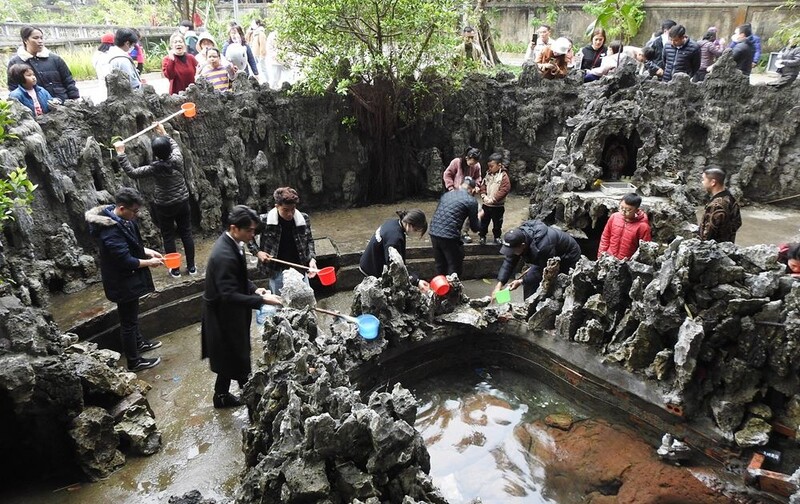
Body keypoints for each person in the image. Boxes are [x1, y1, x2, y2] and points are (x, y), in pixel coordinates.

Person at [202, 205, 283, 408]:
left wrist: (255, 290)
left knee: (228, 358)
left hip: (230, 315)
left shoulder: (234, 244)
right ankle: (253, 406)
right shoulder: (223, 255)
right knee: (240, 361)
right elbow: (228, 294)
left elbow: (238, 279)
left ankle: (220, 396)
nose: (252, 234)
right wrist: (263, 300)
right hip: (224, 317)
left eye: (254, 230)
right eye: (249, 230)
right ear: (234, 228)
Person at [85, 188, 163, 372]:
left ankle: (139, 343)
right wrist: (149, 263)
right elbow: (125, 260)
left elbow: (130, 245)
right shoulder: (109, 231)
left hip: (129, 280)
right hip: (122, 282)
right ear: (121, 208)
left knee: (132, 317)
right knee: (128, 323)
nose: (136, 215)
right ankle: (134, 361)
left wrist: (147, 251)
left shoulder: (123, 219)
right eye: (134, 211)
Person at [113, 123, 196, 278]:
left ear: (155, 153)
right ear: (169, 151)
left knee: (168, 236)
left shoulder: (153, 168)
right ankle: (191, 267)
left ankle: (175, 269)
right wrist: (164, 132)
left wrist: (121, 153)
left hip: (164, 205)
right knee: (186, 233)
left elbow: (132, 172)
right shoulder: (177, 159)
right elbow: (174, 145)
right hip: (183, 202)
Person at [492, 221, 582, 300]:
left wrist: (521, 281)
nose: (511, 253)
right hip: (547, 255)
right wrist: (500, 284)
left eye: (513, 251)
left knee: (540, 282)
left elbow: (543, 270)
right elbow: (509, 261)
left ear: (523, 245)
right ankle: (528, 306)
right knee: (529, 280)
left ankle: (533, 310)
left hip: (568, 256)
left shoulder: (542, 247)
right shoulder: (519, 238)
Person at [254, 187, 317, 295]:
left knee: (306, 300)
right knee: (281, 304)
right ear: (277, 206)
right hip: (277, 270)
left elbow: (309, 240)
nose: (290, 214)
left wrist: (312, 259)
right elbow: (248, 235)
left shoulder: (303, 218)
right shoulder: (265, 220)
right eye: (285, 210)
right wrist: (258, 252)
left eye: (292, 209)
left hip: (299, 267)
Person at [359, 209, 430, 290]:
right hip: (372, 270)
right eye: (416, 230)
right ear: (410, 225)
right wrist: (416, 281)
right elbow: (395, 267)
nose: (415, 234)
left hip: (368, 260)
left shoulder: (393, 223)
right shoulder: (395, 239)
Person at [6, 26, 79, 102]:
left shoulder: (55, 59)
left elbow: (68, 80)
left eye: (41, 38)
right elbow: (13, 87)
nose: (40, 41)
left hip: (63, 103)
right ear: (25, 40)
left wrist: (75, 98)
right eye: (35, 38)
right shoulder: (15, 62)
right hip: (35, 107)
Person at [429, 179, 479, 277]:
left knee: (440, 266)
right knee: (454, 265)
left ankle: (440, 290)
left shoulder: (447, 194)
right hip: (449, 236)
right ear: (472, 190)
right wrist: (480, 217)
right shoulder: (471, 201)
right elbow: (475, 227)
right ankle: (453, 291)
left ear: (460, 186)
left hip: (434, 232)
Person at [443, 147, 482, 243]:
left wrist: (477, 186)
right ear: (466, 158)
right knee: (455, 213)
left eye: (475, 163)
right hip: (456, 193)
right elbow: (447, 174)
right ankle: (453, 232)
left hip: (469, 194)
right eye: (472, 163)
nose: (473, 165)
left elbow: (478, 177)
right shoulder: (457, 162)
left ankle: (464, 233)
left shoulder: (477, 166)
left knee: (470, 212)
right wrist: (450, 188)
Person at [598, 193, 652, 260]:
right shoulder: (614, 217)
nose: (623, 212)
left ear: (636, 209)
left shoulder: (643, 227)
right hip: (609, 258)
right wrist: (601, 255)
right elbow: (605, 237)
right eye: (621, 208)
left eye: (628, 210)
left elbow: (645, 250)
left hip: (627, 262)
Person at [699, 167, 741, 243]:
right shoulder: (730, 198)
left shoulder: (715, 205)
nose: (702, 182)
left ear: (713, 182)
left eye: (703, 179)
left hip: (712, 251)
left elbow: (707, 236)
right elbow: (738, 223)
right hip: (728, 246)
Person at [479, 152, 511, 245]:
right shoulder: (488, 174)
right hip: (486, 205)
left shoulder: (503, 176)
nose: (489, 168)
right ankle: (482, 236)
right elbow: (483, 185)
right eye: (488, 166)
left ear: (499, 165)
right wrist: (483, 195)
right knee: (484, 222)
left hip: (497, 206)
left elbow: (504, 189)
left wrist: (493, 199)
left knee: (497, 223)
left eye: (491, 166)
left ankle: (497, 237)